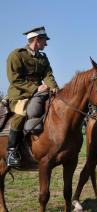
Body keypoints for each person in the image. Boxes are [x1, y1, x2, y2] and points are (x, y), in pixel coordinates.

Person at [6, 26, 59, 167]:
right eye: (44, 41)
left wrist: (54, 88)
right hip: (19, 95)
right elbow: (15, 80)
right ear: (37, 39)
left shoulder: (43, 58)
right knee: (22, 114)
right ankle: (12, 151)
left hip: (40, 94)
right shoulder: (16, 55)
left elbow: (48, 75)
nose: (46, 44)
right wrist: (36, 88)